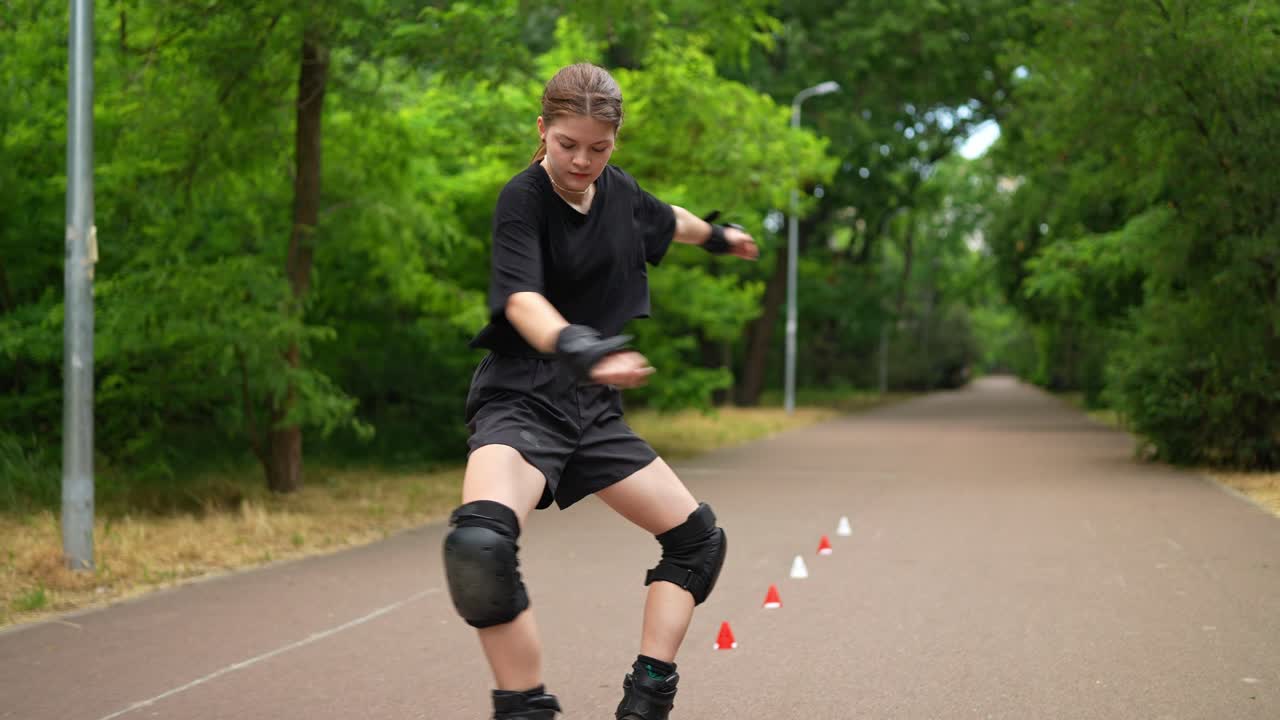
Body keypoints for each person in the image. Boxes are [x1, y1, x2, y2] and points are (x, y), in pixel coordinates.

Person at [442, 62, 759, 720]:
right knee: (481, 548)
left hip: (594, 411)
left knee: (698, 540)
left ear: (615, 141)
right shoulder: (522, 199)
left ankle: (647, 695)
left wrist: (720, 237)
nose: (581, 161)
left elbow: (666, 220)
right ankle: (526, 707)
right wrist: (581, 345)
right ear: (543, 130)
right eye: (567, 145)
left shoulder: (619, 192)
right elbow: (522, 298)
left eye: (598, 148)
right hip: (523, 394)